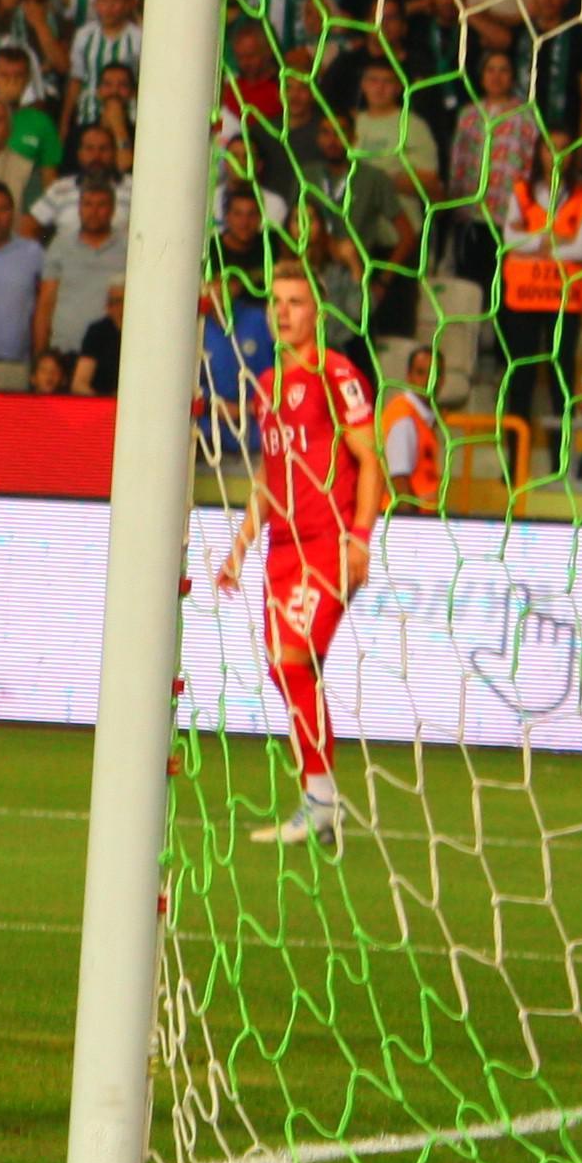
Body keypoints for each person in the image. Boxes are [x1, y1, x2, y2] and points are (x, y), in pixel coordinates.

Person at [204, 257, 387, 847]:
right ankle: (322, 801)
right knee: (288, 675)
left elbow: (371, 460)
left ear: (318, 311)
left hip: (327, 543)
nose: (283, 313)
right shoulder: (269, 385)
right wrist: (240, 546)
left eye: (295, 302)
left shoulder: (337, 374)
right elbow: (269, 473)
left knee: (291, 661)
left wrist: (360, 537)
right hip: (281, 549)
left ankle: (320, 801)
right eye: (276, 303)